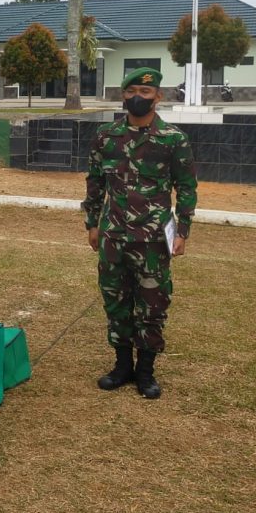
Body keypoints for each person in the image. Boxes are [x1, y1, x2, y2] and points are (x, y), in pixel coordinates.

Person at [81, 67, 197, 400]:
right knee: (116, 301)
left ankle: (145, 371)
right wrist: (92, 224)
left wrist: (182, 231)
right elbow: (95, 183)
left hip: (153, 239)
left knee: (152, 304)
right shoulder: (106, 136)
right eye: (131, 91)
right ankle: (121, 367)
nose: (138, 97)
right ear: (123, 95)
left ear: (158, 96)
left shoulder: (173, 139)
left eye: (145, 92)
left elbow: (186, 187)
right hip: (113, 236)